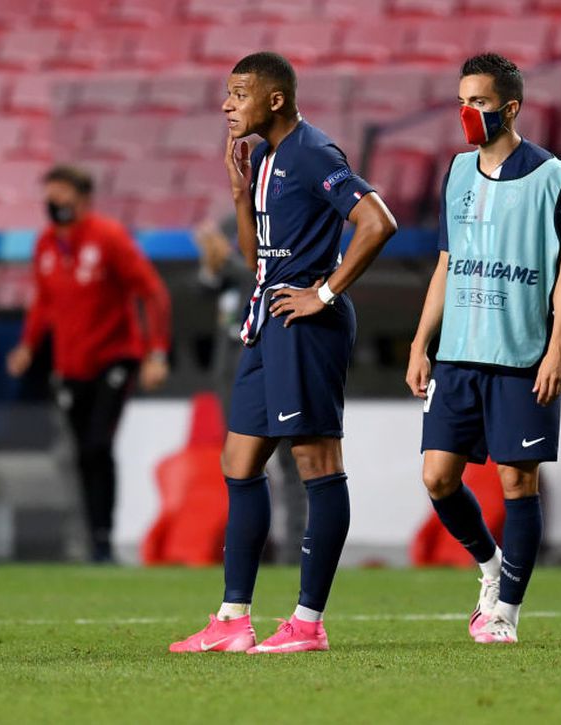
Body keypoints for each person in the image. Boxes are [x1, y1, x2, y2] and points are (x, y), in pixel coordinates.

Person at [169, 52, 397, 654]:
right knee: (238, 463)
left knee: (317, 464)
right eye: (226, 93)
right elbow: (255, 258)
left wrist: (324, 291)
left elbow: (377, 222)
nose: (227, 105)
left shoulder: (313, 153)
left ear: (275, 99)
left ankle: (308, 622)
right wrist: (241, 196)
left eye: (238, 94)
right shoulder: (267, 158)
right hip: (268, 317)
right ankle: (233, 619)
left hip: (306, 324)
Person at [405, 53, 561, 645]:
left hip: (521, 355)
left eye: (478, 102)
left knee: (517, 483)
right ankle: (489, 566)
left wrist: (558, 347)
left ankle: (505, 611)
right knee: (437, 479)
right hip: (458, 352)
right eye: (462, 100)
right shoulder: (455, 172)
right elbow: (447, 265)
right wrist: (420, 341)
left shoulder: (555, 177)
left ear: (510, 107)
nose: (467, 112)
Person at [6, 165, 172, 563]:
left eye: (61, 194)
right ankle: (91, 538)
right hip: (70, 364)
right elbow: (43, 301)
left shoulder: (109, 236)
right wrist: (28, 345)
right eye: (50, 195)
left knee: (99, 444)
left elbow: (152, 291)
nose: (54, 203)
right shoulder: (45, 244)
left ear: (82, 198)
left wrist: (156, 351)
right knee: (82, 451)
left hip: (115, 357)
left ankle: (103, 537)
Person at [192, 217, 306, 564]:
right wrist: (211, 267)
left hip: (277, 364)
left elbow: (261, 273)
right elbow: (208, 288)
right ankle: (258, 546)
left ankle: (297, 549)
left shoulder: (276, 225)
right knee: (245, 462)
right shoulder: (230, 223)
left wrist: (223, 259)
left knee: (292, 459)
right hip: (232, 373)